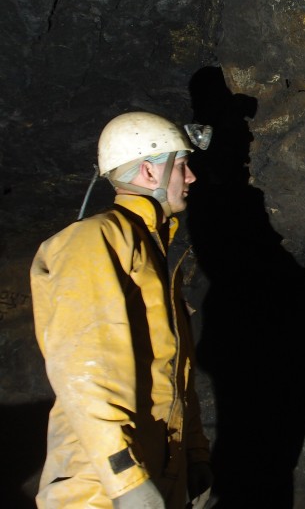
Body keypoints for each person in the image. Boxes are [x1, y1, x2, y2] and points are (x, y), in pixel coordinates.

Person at [30, 111, 214, 509]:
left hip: (156, 469)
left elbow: (173, 373)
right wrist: (124, 478)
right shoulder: (94, 239)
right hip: (99, 486)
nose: (191, 177)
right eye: (182, 165)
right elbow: (83, 365)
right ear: (149, 171)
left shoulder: (152, 253)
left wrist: (193, 455)